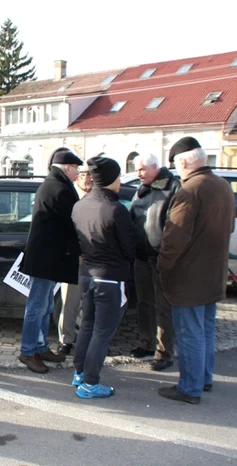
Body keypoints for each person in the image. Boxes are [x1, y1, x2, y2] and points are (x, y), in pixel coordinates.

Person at [157, 137, 235, 404]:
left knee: (190, 332)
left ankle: (190, 387)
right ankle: (204, 378)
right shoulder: (223, 185)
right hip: (213, 273)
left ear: (183, 162)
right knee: (205, 330)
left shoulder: (189, 190)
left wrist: (163, 268)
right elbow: (230, 228)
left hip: (189, 277)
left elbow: (174, 238)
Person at [71, 156, 135, 398]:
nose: (120, 180)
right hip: (109, 277)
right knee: (102, 332)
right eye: (119, 176)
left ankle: (79, 373)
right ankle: (90, 382)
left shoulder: (80, 205)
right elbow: (129, 248)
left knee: (87, 325)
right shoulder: (116, 210)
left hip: (87, 274)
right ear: (111, 179)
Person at [18, 149, 83, 373]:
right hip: (45, 258)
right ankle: (28, 351)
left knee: (45, 306)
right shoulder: (57, 188)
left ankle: (40, 346)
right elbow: (72, 221)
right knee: (36, 307)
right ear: (67, 167)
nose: (78, 173)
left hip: (49, 257)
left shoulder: (55, 184)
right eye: (76, 169)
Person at [129, 153, 181, 371]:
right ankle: (146, 343)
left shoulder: (171, 187)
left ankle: (164, 352)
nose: (139, 174)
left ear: (155, 168)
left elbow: (175, 225)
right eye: (136, 170)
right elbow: (133, 217)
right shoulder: (141, 190)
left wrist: (166, 254)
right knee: (144, 302)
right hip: (141, 255)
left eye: (142, 169)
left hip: (160, 257)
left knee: (163, 306)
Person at [53, 163, 92, 355]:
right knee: (69, 302)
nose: (87, 178)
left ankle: (89, 340)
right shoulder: (70, 195)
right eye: (84, 174)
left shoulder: (97, 198)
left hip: (94, 259)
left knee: (91, 304)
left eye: (91, 175)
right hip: (74, 258)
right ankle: (65, 340)